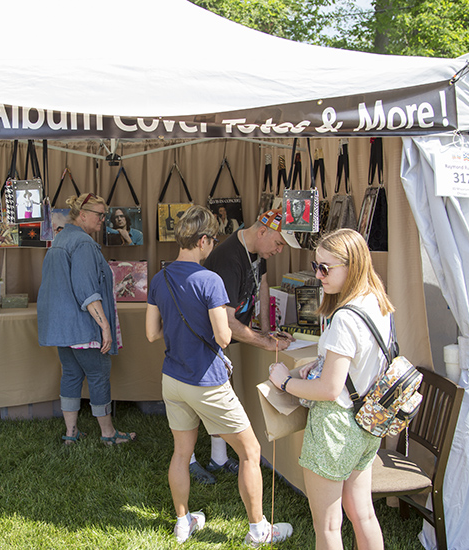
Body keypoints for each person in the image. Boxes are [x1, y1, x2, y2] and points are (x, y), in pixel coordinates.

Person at [145, 205, 293, 546]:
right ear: (204, 240)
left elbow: (152, 333)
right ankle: (259, 529)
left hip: (173, 379)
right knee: (250, 452)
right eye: (212, 240)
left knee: (182, 453)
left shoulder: (160, 277)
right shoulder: (210, 279)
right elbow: (224, 336)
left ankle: (183, 523)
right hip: (206, 380)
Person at [268, 228, 392, 550]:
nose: (318, 275)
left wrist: (284, 380)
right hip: (367, 422)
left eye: (326, 268)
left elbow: (328, 389)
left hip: (335, 428)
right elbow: (360, 364)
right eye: (316, 265)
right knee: (363, 513)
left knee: (328, 526)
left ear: (352, 266)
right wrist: (321, 361)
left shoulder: (344, 319)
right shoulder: (376, 302)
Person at [190, 209, 298, 484]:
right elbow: (226, 322)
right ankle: (189, 459)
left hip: (220, 338)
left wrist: (264, 327)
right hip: (203, 337)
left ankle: (218, 458)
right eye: (278, 243)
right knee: (198, 398)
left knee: (217, 391)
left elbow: (262, 283)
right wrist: (264, 341)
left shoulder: (257, 252)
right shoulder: (229, 257)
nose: (279, 250)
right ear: (262, 231)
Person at [37, 193, 136, 445]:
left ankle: (71, 433)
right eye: (99, 215)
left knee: (70, 374)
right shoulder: (83, 243)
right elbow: (88, 292)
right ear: (82, 215)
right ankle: (108, 433)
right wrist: (104, 326)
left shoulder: (60, 240)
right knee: (99, 373)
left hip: (63, 328)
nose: (103, 219)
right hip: (83, 326)